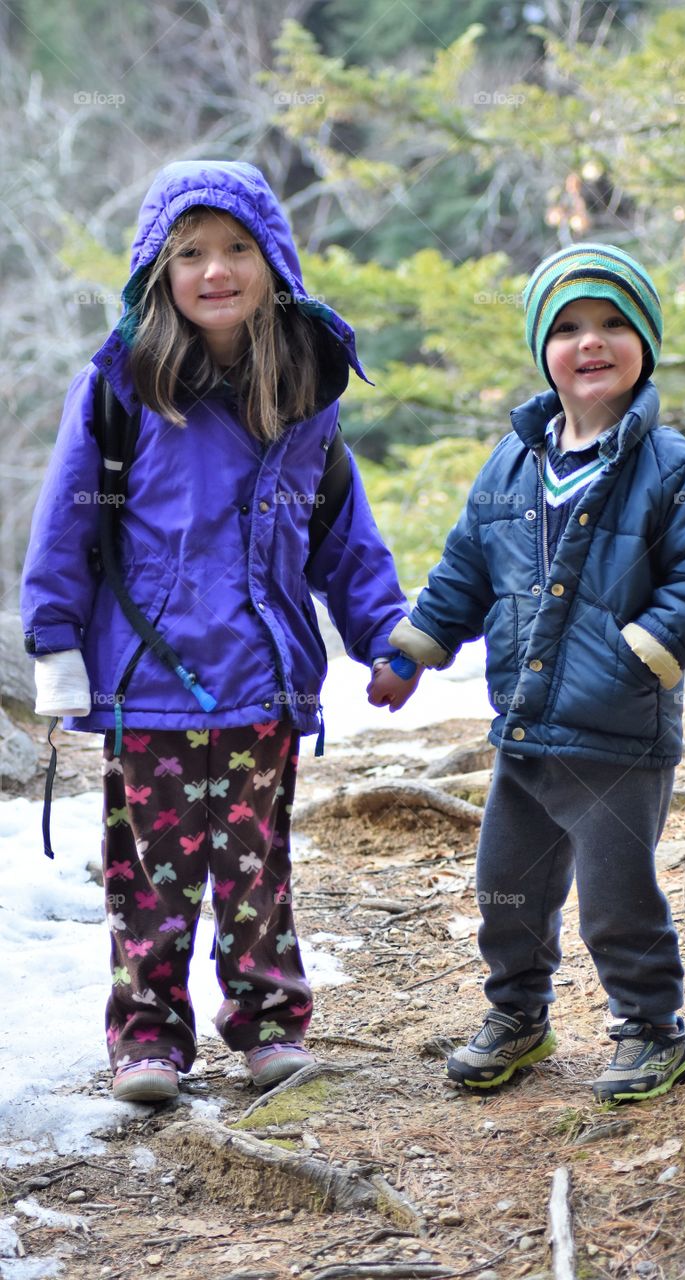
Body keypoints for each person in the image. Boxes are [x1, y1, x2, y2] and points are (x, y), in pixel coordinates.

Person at [21, 160, 420, 1105]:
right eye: (190, 251)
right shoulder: (124, 389)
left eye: (237, 248)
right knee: (151, 876)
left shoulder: (304, 394)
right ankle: (148, 1040)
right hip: (151, 685)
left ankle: (269, 1024)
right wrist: (55, 642)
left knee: (254, 873)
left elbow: (341, 534)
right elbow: (68, 520)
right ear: (157, 270)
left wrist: (386, 635)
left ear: (273, 261)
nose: (215, 270)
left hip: (262, 681)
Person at [389, 243, 685, 1103]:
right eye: (569, 328)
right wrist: (415, 649)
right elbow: (464, 570)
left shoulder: (676, 470)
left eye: (614, 324)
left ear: (645, 345)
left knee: (616, 901)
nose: (592, 343)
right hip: (525, 726)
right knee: (507, 888)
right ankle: (517, 1015)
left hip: (618, 735)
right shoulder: (513, 465)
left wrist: (636, 659)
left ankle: (652, 1028)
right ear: (542, 350)